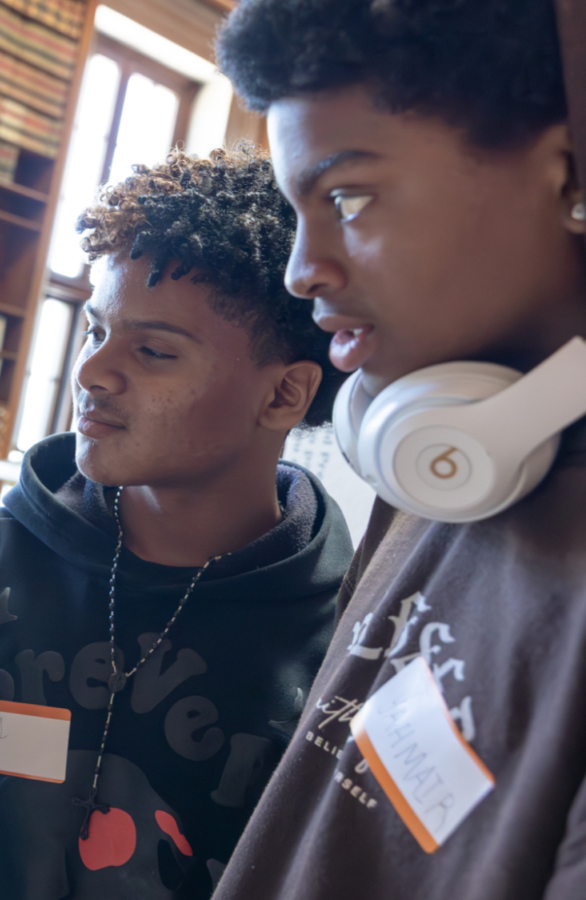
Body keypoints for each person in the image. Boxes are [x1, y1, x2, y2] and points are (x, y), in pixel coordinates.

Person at [0, 146, 355, 899]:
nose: (91, 372)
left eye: (152, 351)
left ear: (284, 395)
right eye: (94, 330)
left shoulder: (346, 630)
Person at [210, 2, 586, 897]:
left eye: (348, 198)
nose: (302, 268)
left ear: (567, 172)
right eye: (297, 210)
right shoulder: (439, 467)